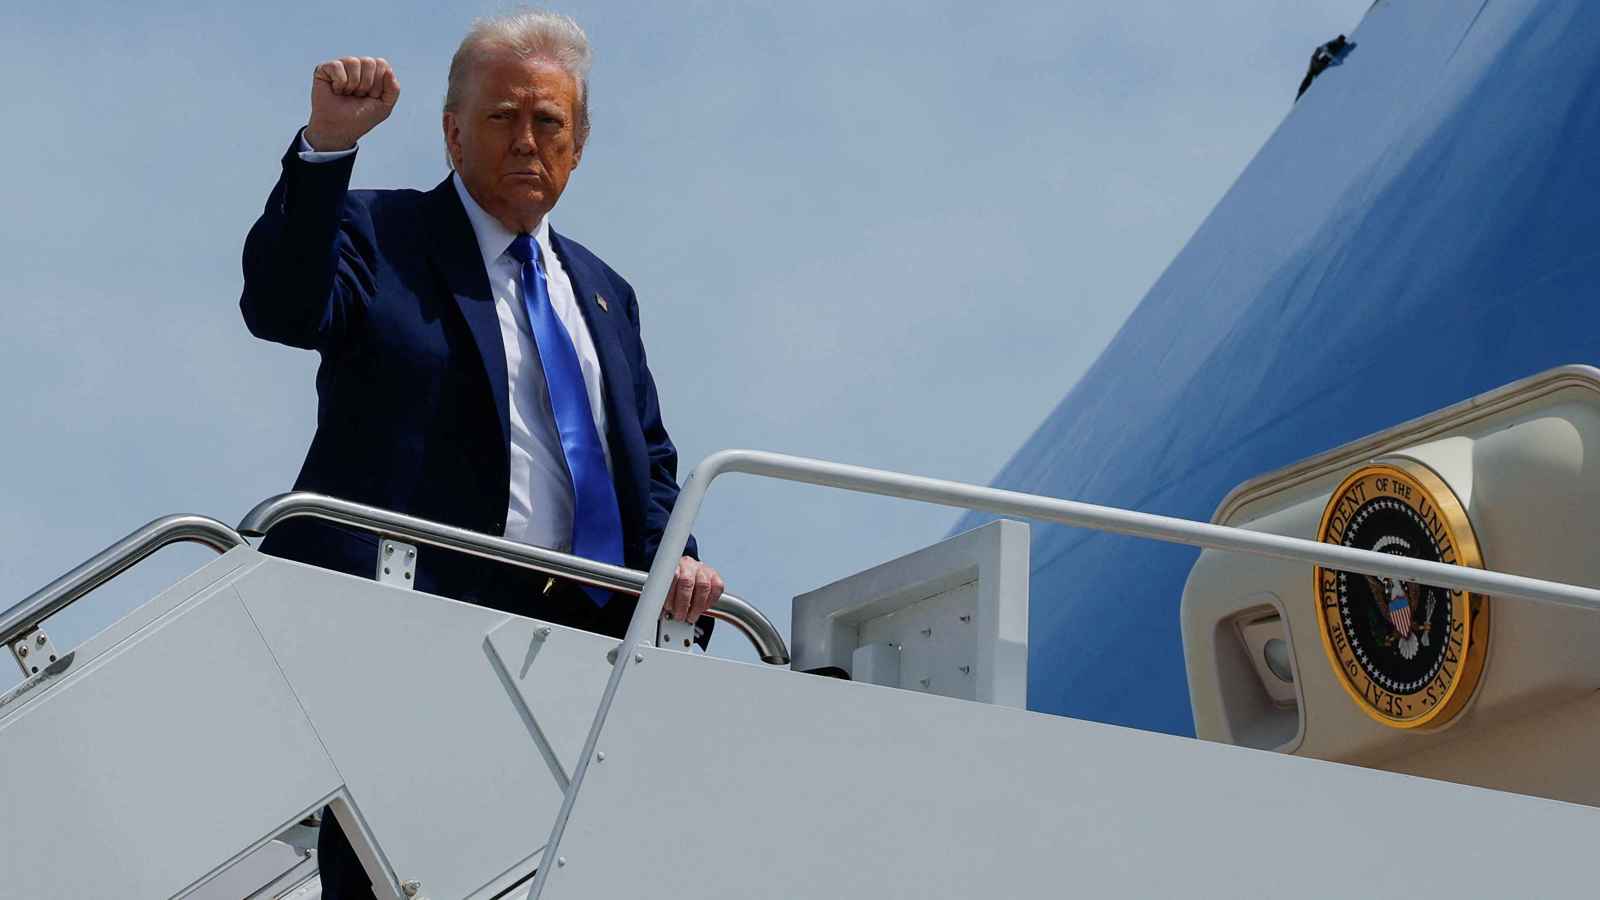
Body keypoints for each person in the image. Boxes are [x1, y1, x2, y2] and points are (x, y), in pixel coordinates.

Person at [239, 10, 722, 897]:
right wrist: (327, 147)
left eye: (549, 121)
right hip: (411, 621)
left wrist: (675, 560)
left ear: (579, 145)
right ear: (453, 133)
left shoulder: (605, 292)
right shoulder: (378, 232)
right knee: (396, 869)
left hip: (580, 643)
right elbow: (282, 306)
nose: (527, 140)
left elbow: (646, 461)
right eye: (502, 117)